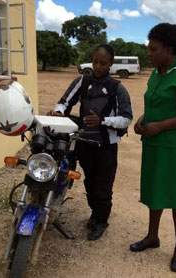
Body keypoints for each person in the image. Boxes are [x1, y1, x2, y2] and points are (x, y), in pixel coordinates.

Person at [130, 23, 176, 272]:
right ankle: (152, 237)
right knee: (155, 190)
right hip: (154, 144)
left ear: (170, 49)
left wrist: (160, 126)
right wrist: (143, 120)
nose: (149, 53)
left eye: (154, 49)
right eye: (148, 49)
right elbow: (154, 103)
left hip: (175, 146)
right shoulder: (157, 72)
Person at [48, 44, 133, 240]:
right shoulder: (83, 81)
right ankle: (95, 213)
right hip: (84, 142)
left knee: (103, 186)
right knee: (89, 182)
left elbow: (126, 118)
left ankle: (102, 220)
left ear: (110, 64)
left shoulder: (117, 88)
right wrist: (59, 111)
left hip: (106, 146)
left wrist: (102, 121)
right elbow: (65, 101)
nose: (98, 66)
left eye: (103, 63)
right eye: (95, 61)